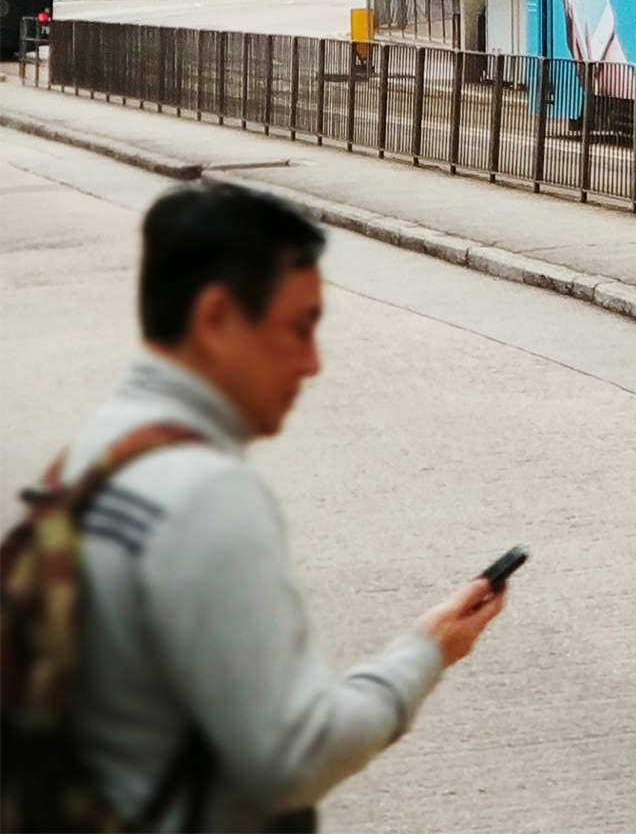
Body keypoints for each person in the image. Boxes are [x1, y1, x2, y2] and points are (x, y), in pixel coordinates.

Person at [56, 183, 508, 831]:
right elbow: (291, 757)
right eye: (299, 328)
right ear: (215, 321)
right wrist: (425, 652)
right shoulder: (206, 495)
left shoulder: (99, 450)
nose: (312, 363)